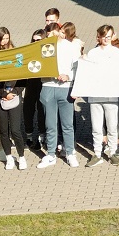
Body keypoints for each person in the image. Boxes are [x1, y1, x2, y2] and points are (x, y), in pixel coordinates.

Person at [80, 25, 119, 165]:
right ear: (98, 37)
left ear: (112, 36)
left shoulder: (117, 52)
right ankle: (97, 153)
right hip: (95, 94)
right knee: (96, 127)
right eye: (103, 36)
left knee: (112, 126)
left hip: (111, 94)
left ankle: (112, 152)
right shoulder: (93, 53)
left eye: (108, 36)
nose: (106, 39)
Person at [38, 22, 82, 168]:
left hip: (65, 87)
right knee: (50, 124)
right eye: (49, 33)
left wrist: (68, 77)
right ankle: (51, 154)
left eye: (55, 32)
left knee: (67, 124)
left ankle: (70, 153)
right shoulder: (44, 47)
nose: (53, 36)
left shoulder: (71, 47)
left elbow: (77, 68)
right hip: (48, 86)